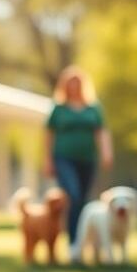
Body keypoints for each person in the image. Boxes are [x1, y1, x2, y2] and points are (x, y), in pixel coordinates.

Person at [44, 65, 112, 249]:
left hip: (88, 159)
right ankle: (73, 242)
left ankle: (81, 241)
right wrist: (48, 160)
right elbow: (49, 134)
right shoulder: (58, 108)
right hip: (63, 158)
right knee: (72, 195)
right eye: (70, 82)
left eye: (77, 82)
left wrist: (106, 152)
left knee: (83, 199)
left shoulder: (93, 108)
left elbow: (101, 131)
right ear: (64, 85)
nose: (74, 86)